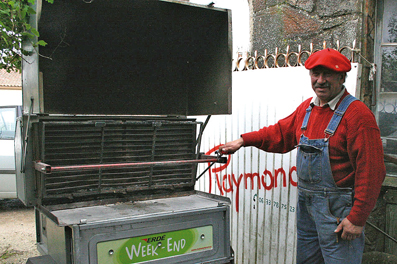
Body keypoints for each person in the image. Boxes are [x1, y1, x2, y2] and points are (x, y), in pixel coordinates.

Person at [219, 48, 386, 263]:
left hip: (337, 214)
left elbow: (371, 170)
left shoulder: (358, 115)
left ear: (342, 77)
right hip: (307, 209)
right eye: (315, 74)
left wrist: (357, 218)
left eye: (328, 74)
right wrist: (243, 140)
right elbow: (279, 133)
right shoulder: (307, 109)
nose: (320, 80)